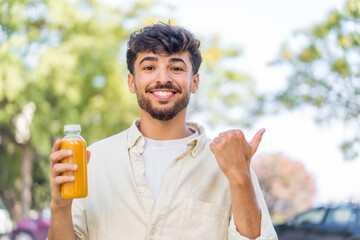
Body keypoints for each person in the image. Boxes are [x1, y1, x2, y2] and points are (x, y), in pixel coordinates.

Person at [48, 23, 277, 240]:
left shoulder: (230, 162)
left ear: (194, 82)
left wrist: (240, 178)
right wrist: (59, 206)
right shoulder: (94, 161)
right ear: (131, 82)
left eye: (176, 68)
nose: (163, 78)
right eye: (149, 67)